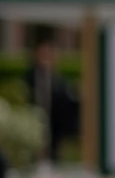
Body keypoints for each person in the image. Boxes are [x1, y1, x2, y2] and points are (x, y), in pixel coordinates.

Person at [24, 32, 78, 162]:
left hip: (55, 132)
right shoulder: (29, 78)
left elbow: (66, 107)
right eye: (44, 52)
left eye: (50, 53)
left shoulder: (60, 81)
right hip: (33, 130)